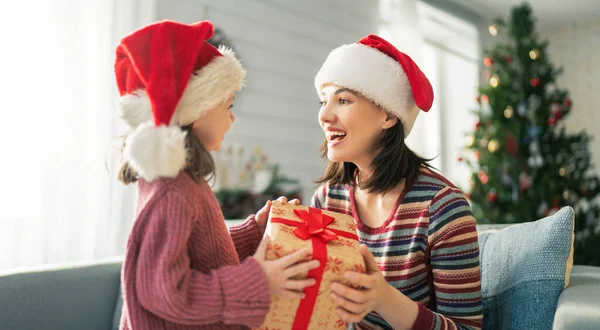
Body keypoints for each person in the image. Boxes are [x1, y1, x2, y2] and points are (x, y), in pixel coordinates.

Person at [113, 20, 319, 330]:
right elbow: (166, 292)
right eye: (228, 105)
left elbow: (201, 254)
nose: (233, 117)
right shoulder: (173, 191)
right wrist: (257, 280)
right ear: (195, 113)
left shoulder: (182, 182)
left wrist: (254, 231)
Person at [311, 35, 483, 329]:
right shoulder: (327, 200)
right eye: (323, 101)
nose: (324, 115)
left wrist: (384, 299)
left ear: (389, 114)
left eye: (342, 100)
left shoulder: (442, 208)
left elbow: (466, 328)